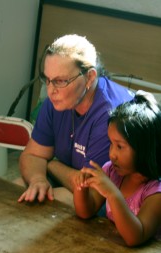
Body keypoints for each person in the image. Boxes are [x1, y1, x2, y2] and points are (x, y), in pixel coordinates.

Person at [18, 34, 134, 203]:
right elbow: (32, 156)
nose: (50, 91)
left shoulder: (111, 115)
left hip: (108, 201)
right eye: (47, 80)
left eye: (60, 81)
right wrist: (38, 180)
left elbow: (89, 189)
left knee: (41, 204)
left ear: (90, 77)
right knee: (20, 187)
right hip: (73, 181)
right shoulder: (56, 101)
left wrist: (51, 164)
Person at [73, 91, 161, 250]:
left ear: (145, 149)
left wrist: (113, 194)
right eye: (111, 144)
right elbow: (86, 212)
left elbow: (136, 236)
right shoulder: (112, 172)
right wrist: (81, 187)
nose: (112, 154)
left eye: (120, 146)